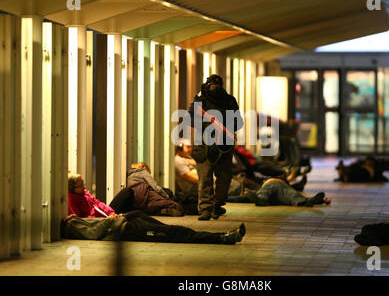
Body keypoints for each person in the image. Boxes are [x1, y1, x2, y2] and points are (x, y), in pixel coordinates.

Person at [188, 74, 244, 220]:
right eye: (212, 86)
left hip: (223, 146)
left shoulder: (229, 100)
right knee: (205, 179)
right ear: (207, 85)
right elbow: (190, 118)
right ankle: (205, 209)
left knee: (224, 179)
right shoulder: (200, 100)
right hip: (203, 146)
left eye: (217, 87)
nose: (214, 89)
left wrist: (224, 125)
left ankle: (217, 205)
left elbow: (239, 122)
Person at [61, 210, 246, 245]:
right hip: (128, 231)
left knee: (174, 231)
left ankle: (223, 237)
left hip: (130, 225)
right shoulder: (72, 228)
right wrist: (110, 219)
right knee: (177, 234)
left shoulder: (72, 221)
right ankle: (223, 237)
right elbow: (94, 233)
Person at [226, 176, 331, 207]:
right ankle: (306, 201)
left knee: (262, 195)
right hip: (276, 187)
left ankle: (308, 201)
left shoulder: (260, 185)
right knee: (292, 195)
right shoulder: (262, 185)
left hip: (273, 190)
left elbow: (242, 198)